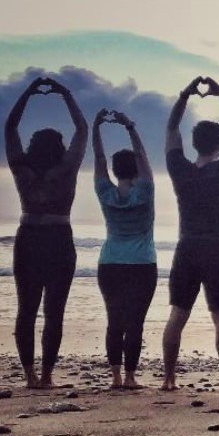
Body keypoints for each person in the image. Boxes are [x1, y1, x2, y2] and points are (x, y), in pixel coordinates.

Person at [162, 75, 219, 392]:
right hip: (216, 247)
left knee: (177, 315)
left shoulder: (180, 169)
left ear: (194, 143)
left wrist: (185, 96)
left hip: (187, 247)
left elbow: (171, 130)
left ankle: (169, 379)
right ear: (218, 144)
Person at [5, 77, 88, 389]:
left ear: (32, 147)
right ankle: (48, 376)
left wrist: (27, 93)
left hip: (27, 237)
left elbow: (10, 128)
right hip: (59, 239)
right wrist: (65, 94)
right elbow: (82, 130)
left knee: (26, 309)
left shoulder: (21, 169)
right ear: (60, 147)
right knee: (54, 312)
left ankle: (30, 377)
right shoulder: (66, 169)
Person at [92, 108, 156, 389]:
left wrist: (96, 128)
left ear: (115, 171)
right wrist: (130, 126)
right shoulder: (145, 192)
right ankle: (130, 377)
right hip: (142, 264)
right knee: (135, 322)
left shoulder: (105, 193)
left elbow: (98, 158)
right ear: (137, 170)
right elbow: (143, 157)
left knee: (114, 320)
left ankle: (117, 376)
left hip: (110, 264)